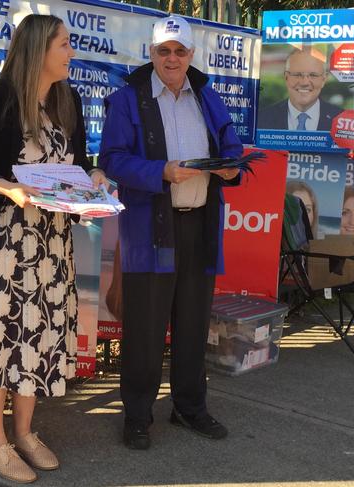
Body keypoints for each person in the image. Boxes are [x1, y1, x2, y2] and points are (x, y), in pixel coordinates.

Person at [0, 14, 107, 483]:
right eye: (64, 44)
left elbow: (75, 163)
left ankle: (25, 432)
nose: (70, 52)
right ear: (38, 48)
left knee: (36, 336)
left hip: (50, 244)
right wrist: (7, 188)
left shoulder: (66, 100)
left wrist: (92, 178)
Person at [98, 15, 242, 450]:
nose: (173, 58)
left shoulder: (207, 94)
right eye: (165, 51)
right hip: (151, 229)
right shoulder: (128, 99)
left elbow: (230, 144)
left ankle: (189, 408)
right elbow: (112, 160)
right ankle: (137, 415)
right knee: (145, 326)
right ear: (152, 54)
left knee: (193, 323)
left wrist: (232, 167)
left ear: (191, 55)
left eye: (180, 51)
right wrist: (160, 171)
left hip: (199, 224)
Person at [257, 48, 342, 131]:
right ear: (286, 77)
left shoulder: (341, 120)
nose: (304, 83)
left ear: (324, 79)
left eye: (313, 75)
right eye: (297, 74)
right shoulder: (261, 119)